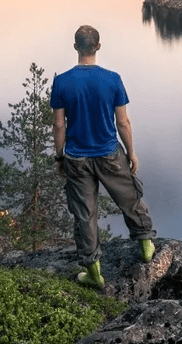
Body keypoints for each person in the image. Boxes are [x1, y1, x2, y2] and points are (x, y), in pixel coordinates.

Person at [50, 25, 156, 289]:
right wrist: (131, 152)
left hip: (76, 157)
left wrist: (59, 157)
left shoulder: (62, 81)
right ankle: (145, 245)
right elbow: (123, 123)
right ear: (98, 46)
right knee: (129, 197)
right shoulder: (113, 79)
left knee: (84, 214)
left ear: (75, 47)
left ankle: (94, 272)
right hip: (109, 153)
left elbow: (59, 125)